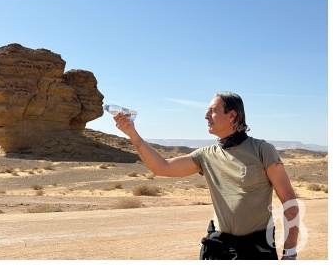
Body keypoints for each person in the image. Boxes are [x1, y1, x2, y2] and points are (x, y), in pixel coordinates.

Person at [114, 92, 299, 260]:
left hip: (256, 248)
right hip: (218, 247)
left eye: (212, 111)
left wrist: (290, 253)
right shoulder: (206, 155)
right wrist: (132, 134)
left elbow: (289, 201)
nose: (206, 116)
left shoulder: (262, 150)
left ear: (232, 115)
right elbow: (162, 167)